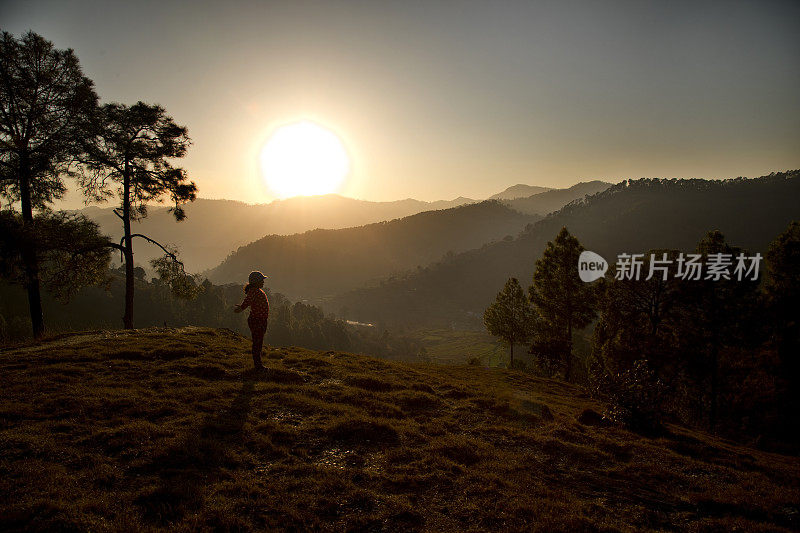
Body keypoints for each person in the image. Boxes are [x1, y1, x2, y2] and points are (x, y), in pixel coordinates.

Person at [234, 271, 270, 371]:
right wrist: (241, 308)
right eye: (261, 280)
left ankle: (258, 364)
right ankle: (258, 365)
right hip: (257, 320)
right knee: (257, 342)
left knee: (258, 341)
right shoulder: (254, 291)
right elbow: (248, 301)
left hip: (261, 320)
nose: (263, 282)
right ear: (255, 282)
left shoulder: (256, 291)